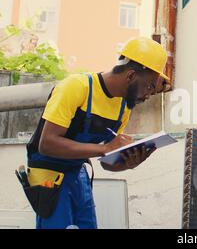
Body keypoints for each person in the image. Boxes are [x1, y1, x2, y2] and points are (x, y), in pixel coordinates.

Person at [25, 37, 169, 229]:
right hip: (48, 176)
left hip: (77, 173)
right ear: (131, 75)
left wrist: (127, 162)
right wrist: (106, 148)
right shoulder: (76, 87)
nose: (149, 94)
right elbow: (47, 144)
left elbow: (107, 163)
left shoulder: (123, 108)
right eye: (151, 85)